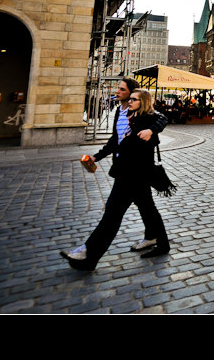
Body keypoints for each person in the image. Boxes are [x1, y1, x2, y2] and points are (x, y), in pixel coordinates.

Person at [61, 87, 170, 271]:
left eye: (134, 99)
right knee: (147, 209)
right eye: (130, 99)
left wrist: (151, 131)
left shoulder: (147, 119)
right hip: (129, 174)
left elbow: (163, 119)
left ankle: (89, 254)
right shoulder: (130, 117)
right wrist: (97, 157)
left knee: (112, 215)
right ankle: (162, 244)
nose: (130, 102)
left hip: (133, 175)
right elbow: (115, 142)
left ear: (142, 102)